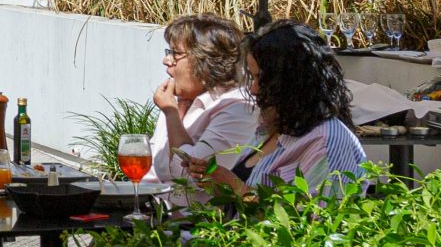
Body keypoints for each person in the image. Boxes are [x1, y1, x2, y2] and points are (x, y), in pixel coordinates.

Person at [207, 21, 369, 202]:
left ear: (292, 80)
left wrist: (237, 188)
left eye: (261, 78)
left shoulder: (326, 140)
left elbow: (323, 222)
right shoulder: (272, 127)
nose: (253, 89)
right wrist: (223, 187)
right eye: (252, 78)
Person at [149, 13, 259, 197]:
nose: (166, 60)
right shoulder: (177, 100)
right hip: (156, 213)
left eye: (176, 53)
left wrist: (171, 115)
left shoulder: (238, 108)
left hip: (197, 223)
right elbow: (152, 172)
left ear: (206, 60)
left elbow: (191, 176)